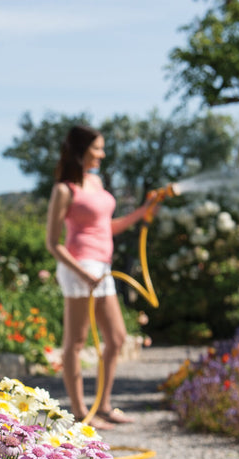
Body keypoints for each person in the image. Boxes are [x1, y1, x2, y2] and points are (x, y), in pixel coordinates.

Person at [45, 125, 156, 430]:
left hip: (103, 268)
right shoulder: (65, 189)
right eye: (97, 149)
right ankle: (82, 413)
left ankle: (104, 406)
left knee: (117, 338)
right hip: (78, 267)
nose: (102, 154)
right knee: (76, 342)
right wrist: (83, 273)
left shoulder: (96, 181)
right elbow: (53, 242)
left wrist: (143, 212)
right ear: (81, 151)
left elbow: (107, 227)